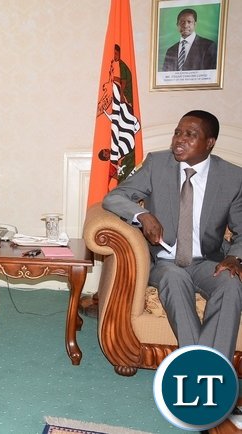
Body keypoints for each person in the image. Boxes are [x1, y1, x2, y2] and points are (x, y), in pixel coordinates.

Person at [102, 110, 242, 361]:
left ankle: (212, 373)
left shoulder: (232, 177)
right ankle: (202, 372)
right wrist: (142, 215)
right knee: (175, 278)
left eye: (190, 135)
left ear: (209, 142)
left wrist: (235, 257)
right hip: (165, 262)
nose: (179, 139)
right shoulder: (157, 164)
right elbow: (114, 197)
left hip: (207, 261)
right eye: (178, 132)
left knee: (230, 282)